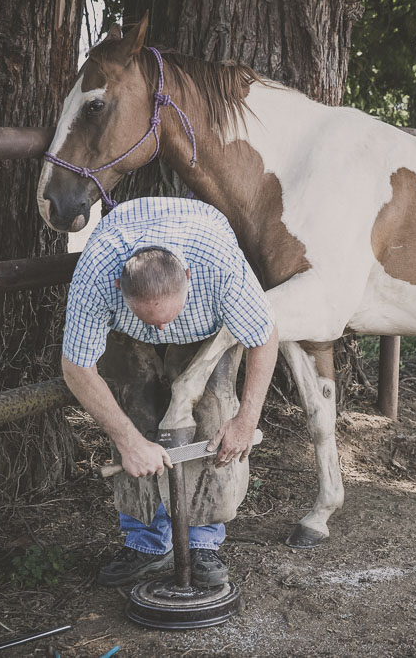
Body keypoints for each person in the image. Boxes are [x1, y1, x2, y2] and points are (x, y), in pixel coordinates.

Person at [61, 196, 279, 587]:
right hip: (125, 332)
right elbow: (76, 366)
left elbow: (263, 336)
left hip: (205, 327)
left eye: (167, 317)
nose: (162, 330)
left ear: (189, 278)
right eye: (151, 319)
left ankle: (202, 542)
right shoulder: (97, 275)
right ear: (118, 288)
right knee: (135, 415)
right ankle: (146, 543)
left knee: (210, 416)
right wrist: (129, 442)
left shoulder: (217, 265)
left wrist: (246, 420)